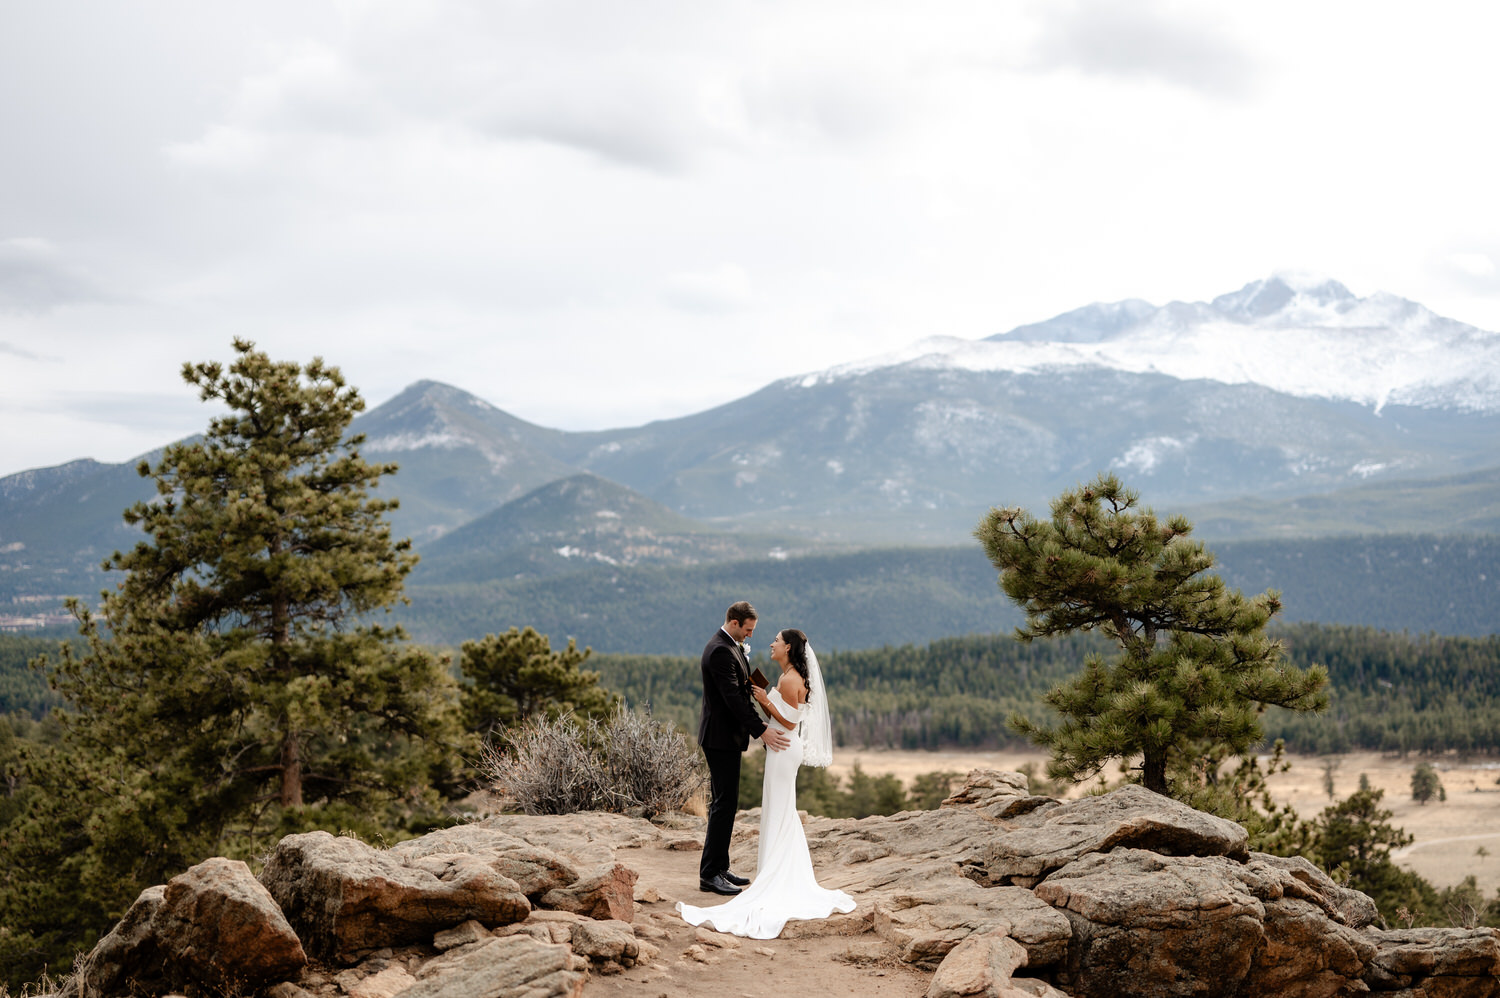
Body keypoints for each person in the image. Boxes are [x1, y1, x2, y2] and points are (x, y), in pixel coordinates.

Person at [678, 627, 855, 938]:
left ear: (787, 648)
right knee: (781, 808)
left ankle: (773, 875)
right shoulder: (791, 677)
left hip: (783, 747)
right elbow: (781, 716)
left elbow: (788, 721)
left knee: (778, 809)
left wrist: (764, 699)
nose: (771, 644)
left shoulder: (789, 680)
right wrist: (762, 697)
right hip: (783, 746)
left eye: (776, 640)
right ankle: (776, 870)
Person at [696, 601, 791, 896]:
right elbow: (732, 700)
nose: (750, 636)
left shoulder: (730, 645)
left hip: (726, 738)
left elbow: (742, 690)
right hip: (719, 738)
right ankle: (709, 874)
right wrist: (762, 730)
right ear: (734, 622)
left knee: (727, 803)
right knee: (723, 804)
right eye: (748, 630)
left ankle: (720, 867)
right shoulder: (721, 651)